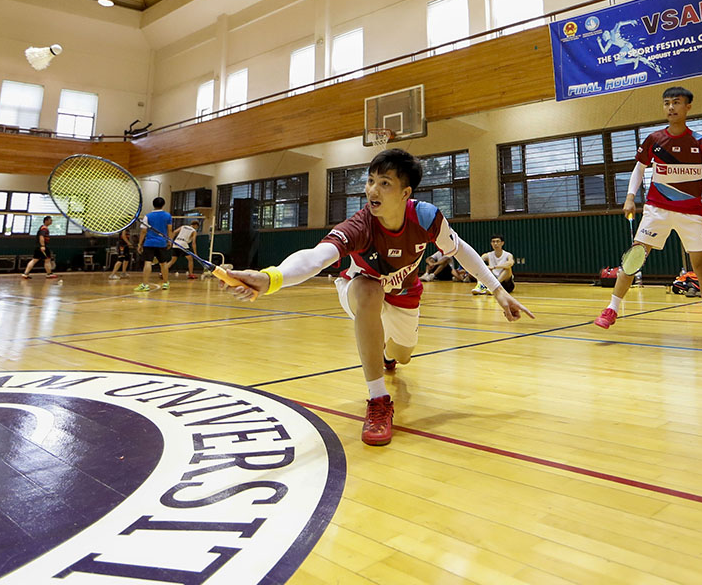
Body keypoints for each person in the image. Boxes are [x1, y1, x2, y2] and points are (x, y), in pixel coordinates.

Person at [222, 148, 534, 446]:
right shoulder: (360, 225)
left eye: (384, 183)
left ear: (405, 193)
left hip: (405, 296)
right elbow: (317, 258)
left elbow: (460, 249)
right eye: (371, 181)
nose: (373, 190)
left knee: (403, 355)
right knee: (369, 289)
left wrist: (497, 290)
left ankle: (386, 353)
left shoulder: (426, 219)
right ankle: (378, 399)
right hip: (358, 289)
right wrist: (269, 278)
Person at [594, 86, 702, 349]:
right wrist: (631, 197)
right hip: (657, 209)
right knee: (634, 258)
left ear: (688, 106)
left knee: (701, 268)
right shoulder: (654, 139)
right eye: (666, 103)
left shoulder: (701, 141)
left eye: (676, 103)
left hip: (690, 212)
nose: (670, 107)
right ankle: (612, 309)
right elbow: (639, 169)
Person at [136, 197, 173, 292]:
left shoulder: (147, 216)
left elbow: (143, 231)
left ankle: (145, 285)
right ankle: (165, 283)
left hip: (149, 243)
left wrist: (140, 243)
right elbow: (169, 230)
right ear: (163, 204)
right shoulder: (167, 216)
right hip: (161, 243)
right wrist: (170, 241)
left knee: (148, 262)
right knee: (163, 263)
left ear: (153, 204)